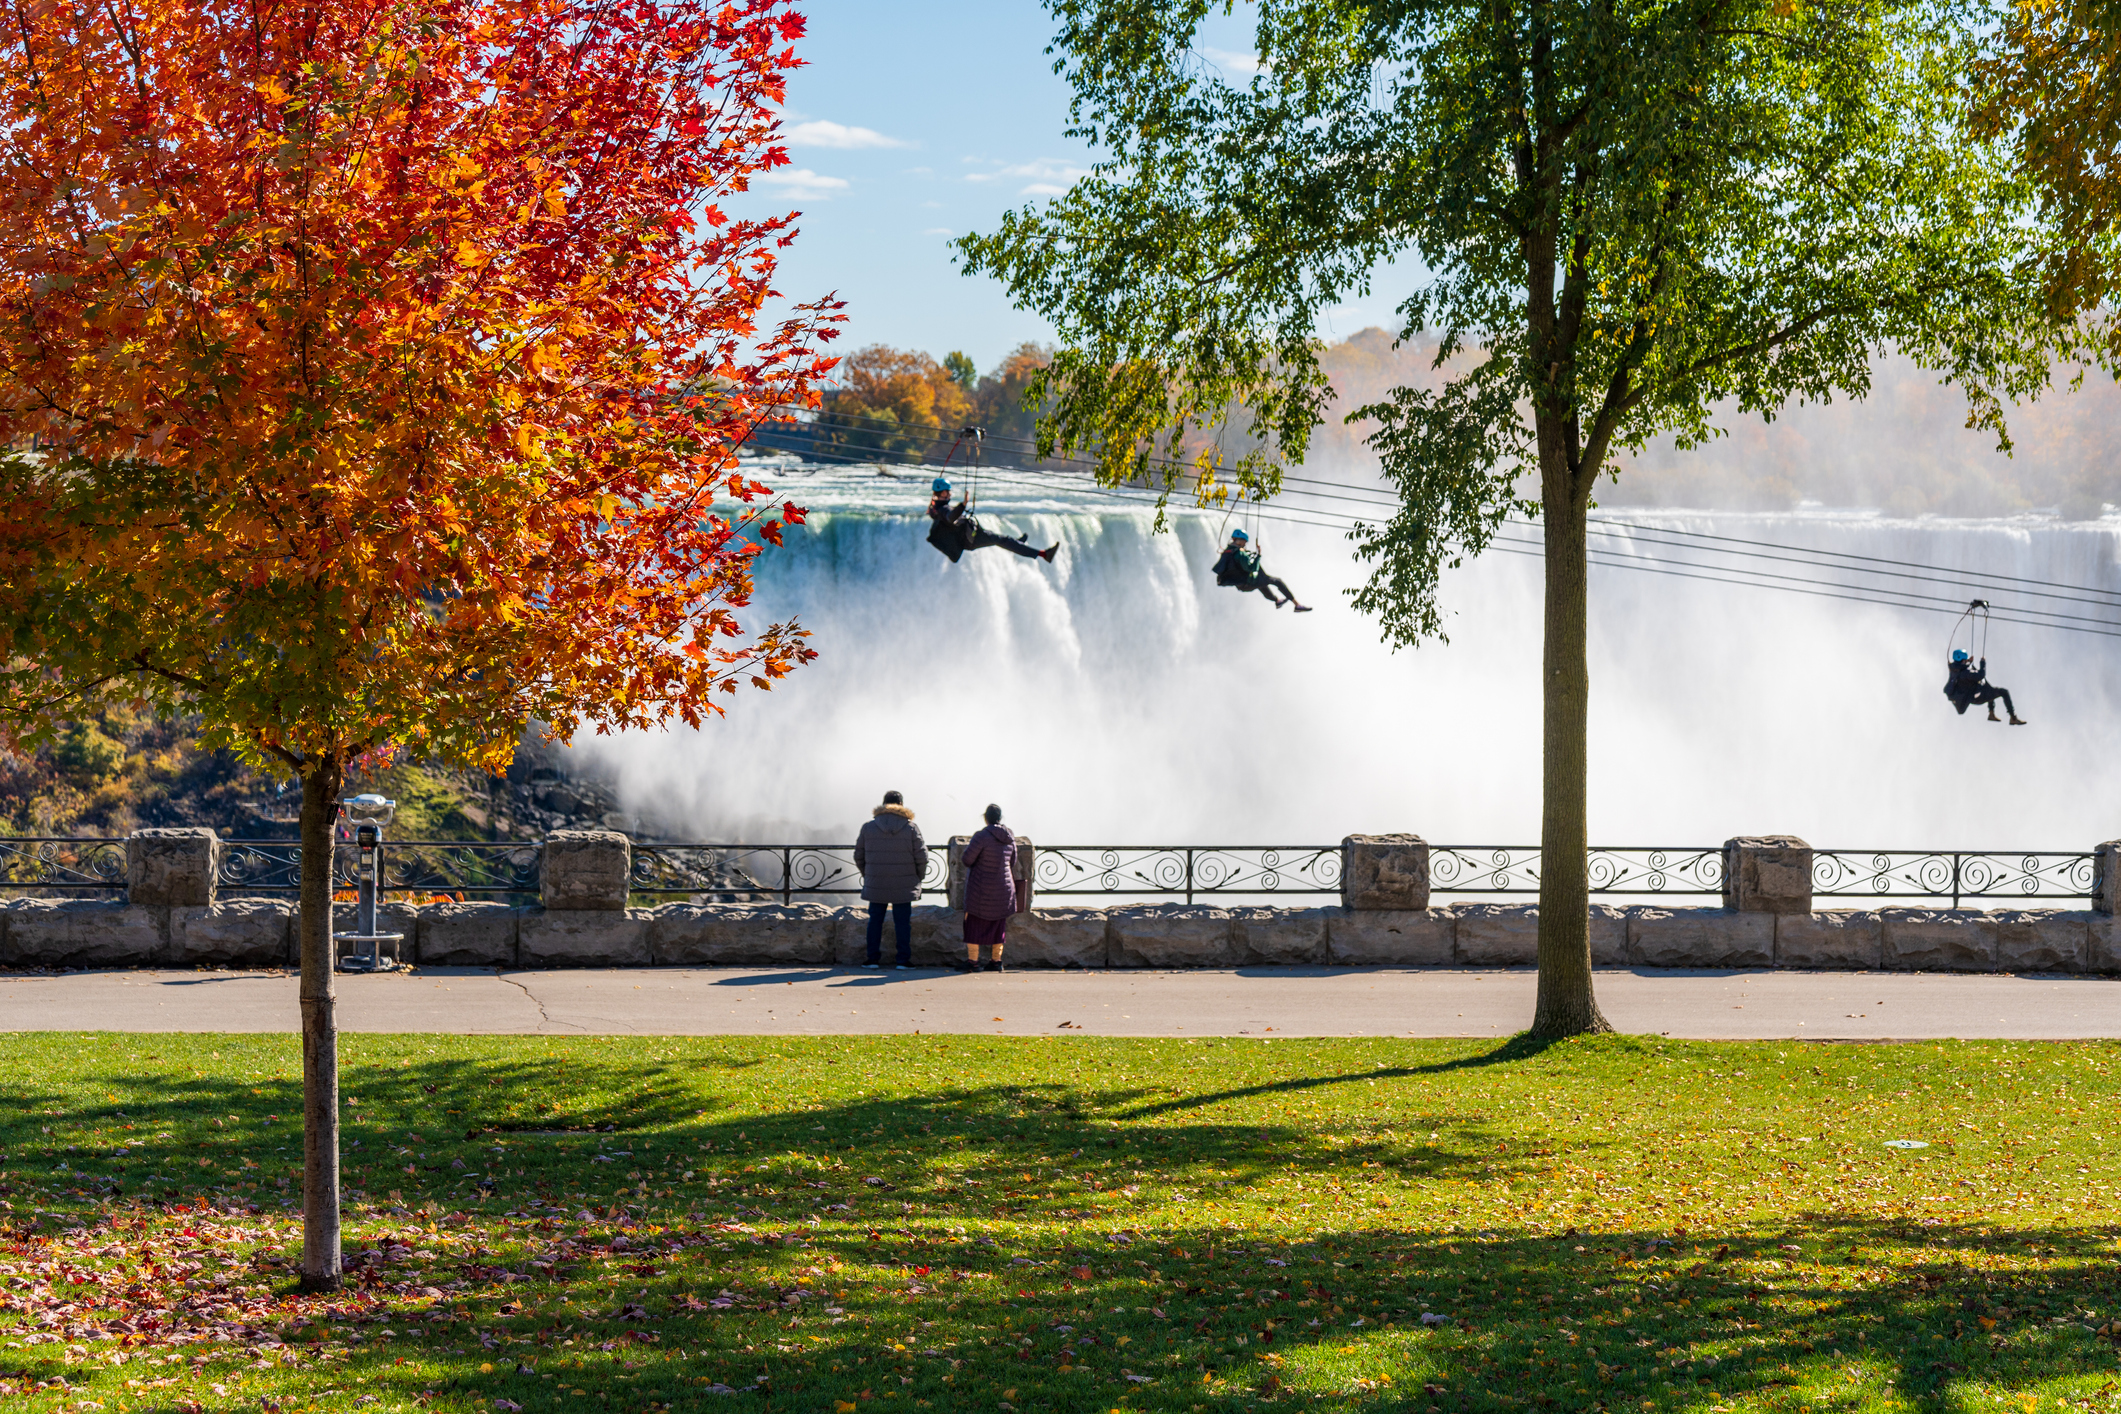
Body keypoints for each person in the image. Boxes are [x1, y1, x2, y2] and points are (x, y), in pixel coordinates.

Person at [853, 789, 927, 967]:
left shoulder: (868, 827)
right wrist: (918, 877)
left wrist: (868, 874)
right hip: (904, 883)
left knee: (875, 921)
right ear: (901, 805)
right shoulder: (911, 828)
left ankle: (872, 959)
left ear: (883, 804)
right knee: (902, 923)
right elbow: (922, 857)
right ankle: (902, 960)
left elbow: (858, 855)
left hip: (876, 882)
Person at [925, 477, 1059, 564]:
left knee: (1003, 539)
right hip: (970, 538)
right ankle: (1043, 554)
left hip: (969, 533)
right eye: (948, 492)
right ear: (943, 493)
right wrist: (963, 504)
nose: (950, 494)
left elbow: (935, 510)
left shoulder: (934, 508)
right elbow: (950, 516)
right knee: (1002, 540)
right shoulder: (943, 510)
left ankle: (1017, 543)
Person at [959, 803, 1020, 973]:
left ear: (985, 818)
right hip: (1003, 889)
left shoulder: (981, 836)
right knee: (998, 925)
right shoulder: (1009, 836)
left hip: (981, 888)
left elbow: (967, 860)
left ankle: (973, 961)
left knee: (974, 924)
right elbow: (1013, 861)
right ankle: (996, 961)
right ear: (1000, 818)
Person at [1211, 528, 1311, 611]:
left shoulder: (1227, 551)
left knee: (1263, 583)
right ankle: (1297, 605)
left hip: (1241, 585)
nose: (1245, 544)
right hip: (1248, 582)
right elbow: (1252, 568)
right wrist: (1258, 555)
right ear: (1239, 540)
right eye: (1244, 541)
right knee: (1277, 581)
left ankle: (1277, 601)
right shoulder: (1240, 553)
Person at [1944, 649, 2026, 725]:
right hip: (1977, 698)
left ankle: (1991, 714)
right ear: (1962, 660)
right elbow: (1981, 675)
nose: (1966, 661)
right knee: (2004, 692)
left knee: (1989, 688)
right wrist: (1982, 663)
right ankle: (2013, 718)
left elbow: (1963, 667)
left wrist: (1969, 661)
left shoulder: (1954, 670)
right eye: (1965, 659)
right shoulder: (1966, 673)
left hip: (1970, 696)